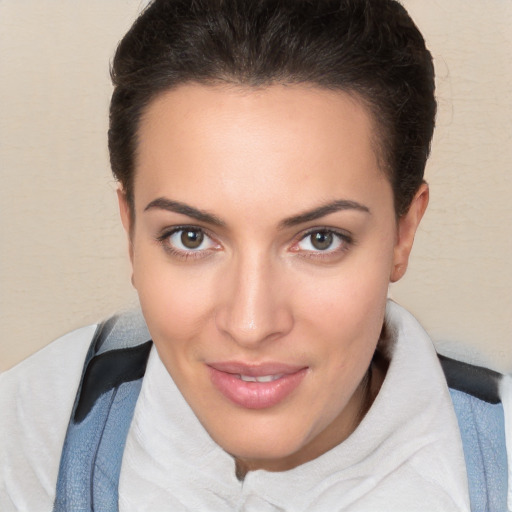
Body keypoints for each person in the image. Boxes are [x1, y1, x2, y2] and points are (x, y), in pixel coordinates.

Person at [0, 0, 509, 511]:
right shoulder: (27, 441)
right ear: (130, 230)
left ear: (404, 233)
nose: (250, 324)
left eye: (320, 239)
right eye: (191, 237)